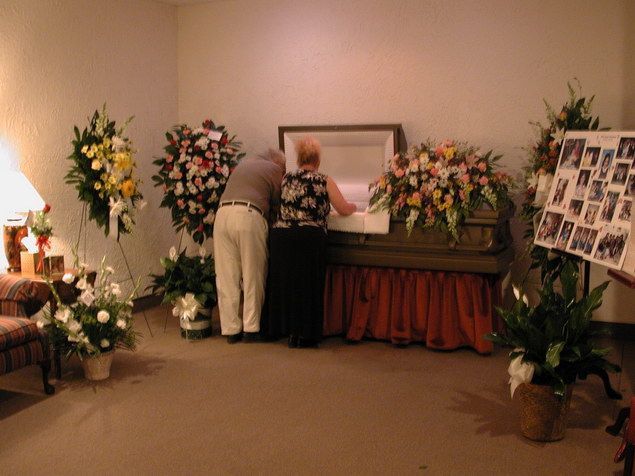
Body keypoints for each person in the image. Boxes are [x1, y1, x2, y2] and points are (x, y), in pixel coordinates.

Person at [262, 136, 356, 348]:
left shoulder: (285, 178)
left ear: (298, 159)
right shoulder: (323, 179)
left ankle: (287, 331)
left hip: (283, 237)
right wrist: (353, 208)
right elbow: (342, 208)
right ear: (317, 160)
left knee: (289, 284)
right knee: (309, 285)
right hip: (309, 237)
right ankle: (306, 335)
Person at [213, 148, 286, 343]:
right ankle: (251, 328)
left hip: (222, 215)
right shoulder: (274, 169)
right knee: (253, 273)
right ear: (279, 163)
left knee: (226, 275)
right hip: (248, 215)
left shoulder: (243, 165)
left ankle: (230, 329)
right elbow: (279, 203)